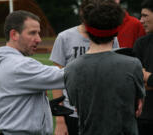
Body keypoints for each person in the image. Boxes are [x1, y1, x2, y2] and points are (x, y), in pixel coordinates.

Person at [64, 0, 145, 135]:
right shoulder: (133, 65)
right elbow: (138, 108)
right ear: (116, 29)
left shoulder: (71, 69)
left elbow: (77, 107)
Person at [0, 10, 65, 135]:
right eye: (32, 33)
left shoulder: (5, 60)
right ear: (14, 34)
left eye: (38, 33)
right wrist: (92, 55)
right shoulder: (19, 65)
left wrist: (43, 106)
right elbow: (64, 76)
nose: (38, 39)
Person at [49, 0, 120, 134]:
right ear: (82, 13)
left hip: (102, 112)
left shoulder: (111, 37)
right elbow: (56, 81)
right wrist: (60, 120)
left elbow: (114, 73)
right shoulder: (64, 37)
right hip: (72, 113)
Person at [133, 0, 153, 134]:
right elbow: (135, 79)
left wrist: (148, 77)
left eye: (145, 16)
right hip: (143, 117)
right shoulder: (141, 43)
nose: (141, 20)